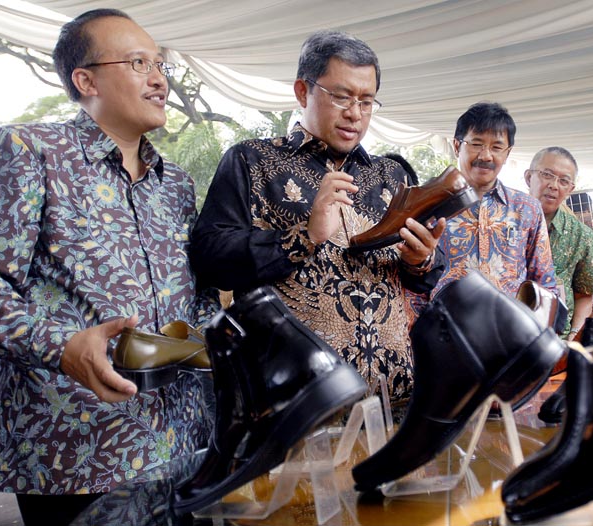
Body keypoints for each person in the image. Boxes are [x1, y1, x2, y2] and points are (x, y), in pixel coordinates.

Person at [0, 9, 219, 525]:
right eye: (138, 62)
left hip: (184, 444)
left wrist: (213, 336)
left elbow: (199, 296)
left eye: (161, 64)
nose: (159, 79)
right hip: (76, 447)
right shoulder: (29, 150)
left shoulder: (178, 184)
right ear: (86, 80)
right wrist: (61, 348)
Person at [189, 30, 446, 403]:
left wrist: (422, 260)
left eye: (367, 101)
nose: (355, 113)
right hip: (294, 404)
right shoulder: (253, 161)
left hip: (392, 402)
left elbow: (423, 279)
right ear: (302, 91)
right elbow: (210, 259)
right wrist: (302, 237)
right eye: (341, 96)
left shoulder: (393, 176)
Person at [412, 102, 556, 313]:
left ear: (507, 153)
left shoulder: (527, 209)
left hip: (510, 337)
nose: (486, 156)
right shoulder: (426, 204)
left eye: (497, 147)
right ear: (457, 145)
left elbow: (544, 282)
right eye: (476, 144)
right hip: (445, 337)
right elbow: (411, 284)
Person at [525, 147, 593, 338]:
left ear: (570, 189)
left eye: (563, 181)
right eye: (547, 175)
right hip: (510, 337)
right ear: (528, 177)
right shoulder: (503, 224)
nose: (554, 185)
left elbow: (584, 294)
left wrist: (575, 335)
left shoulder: (581, 236)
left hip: (558, 340)